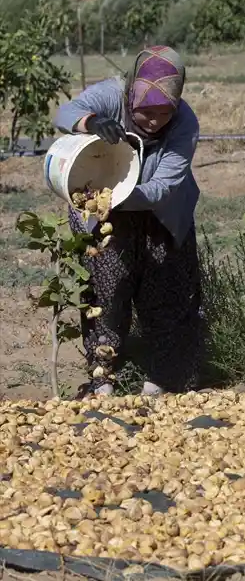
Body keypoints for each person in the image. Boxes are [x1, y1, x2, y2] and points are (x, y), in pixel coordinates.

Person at [53, 46, 203, 398]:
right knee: (106, 293)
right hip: (102, 217)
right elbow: (65, 113)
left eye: (162, 112)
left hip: (160, 214)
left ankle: (160, 383)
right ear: (132, 94)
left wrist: (112, 197)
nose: (153, 121)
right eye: (145, 111)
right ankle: (103, 379)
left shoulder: (185, 122)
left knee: (166, 294)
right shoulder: (112, 95)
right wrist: (91, 122)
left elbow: (163, 187)